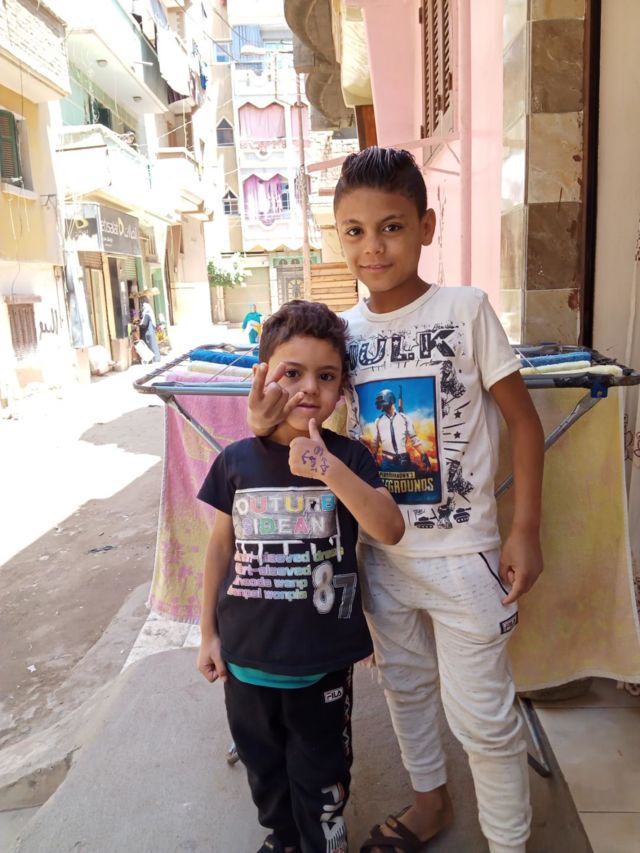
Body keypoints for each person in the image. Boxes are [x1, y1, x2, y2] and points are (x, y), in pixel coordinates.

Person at [246, 147, 545, 853]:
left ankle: (510, 842)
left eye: (391, 227)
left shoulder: (466, 310)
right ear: (337, 236)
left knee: (483, 718)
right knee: (406, 692)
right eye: (354, 231)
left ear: (426, 227)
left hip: (465, 556)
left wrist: (525, 528)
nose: (373, 247)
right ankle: (429, 803)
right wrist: (263, 424)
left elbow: (524, 423)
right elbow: (310, 429)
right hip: (379, 558)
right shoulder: (341, 335)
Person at [196, 300, 405, 853]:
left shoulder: (350, 458)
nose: (309, 388)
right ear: (263, 377)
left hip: (322, 663)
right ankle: (284, 840)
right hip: (246, 660)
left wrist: (324, 466)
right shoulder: (236, 460)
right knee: (264, 770)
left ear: (342, 388)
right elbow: (219, 549)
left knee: (323, 775)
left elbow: (389, 529)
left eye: (326, 376)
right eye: (292, 373)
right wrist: (208, 634)